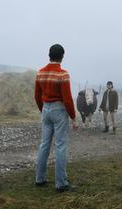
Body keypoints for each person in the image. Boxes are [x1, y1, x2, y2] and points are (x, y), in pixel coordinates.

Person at [34, 44, 78, 192]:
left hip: (45, 109)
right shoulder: (63, 74)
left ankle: (40, 179)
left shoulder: (40, 73)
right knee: (60, 146)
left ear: (49, 55)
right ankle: (61, 183)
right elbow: (67, 99)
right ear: (62, 57)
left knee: (44, 144)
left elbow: (37, 95)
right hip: (59, 110)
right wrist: (73, 116)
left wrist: (43, 110)